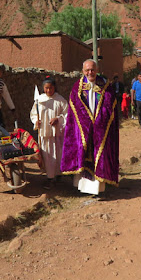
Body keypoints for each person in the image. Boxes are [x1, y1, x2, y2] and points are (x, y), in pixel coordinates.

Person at [60, 59, 120, 195]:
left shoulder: (105, 86)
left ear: (97, 70)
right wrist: (87, 124)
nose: (90, 72)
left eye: (92, 69)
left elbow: (110, 106)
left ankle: (97, 188)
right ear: (83, 71)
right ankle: (83, 187)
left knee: (100, 155)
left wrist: (99, 122)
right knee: (84, 155)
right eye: (87, 70)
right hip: (83, 130)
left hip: (101, 130)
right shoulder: (77, 88)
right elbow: (74, 111)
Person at [30, 77, 68, 189]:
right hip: (44, 133)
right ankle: (50, 177)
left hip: (57, 135)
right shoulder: (39, 100)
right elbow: (33, 114)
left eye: (50, 88)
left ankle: (55, 176)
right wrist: (36, 121)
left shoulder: (60, 100)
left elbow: (67, 114)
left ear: (54, 87)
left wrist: (58, 119)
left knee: (57, 155)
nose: (48, 90)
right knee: (47, 156)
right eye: (46, 88)